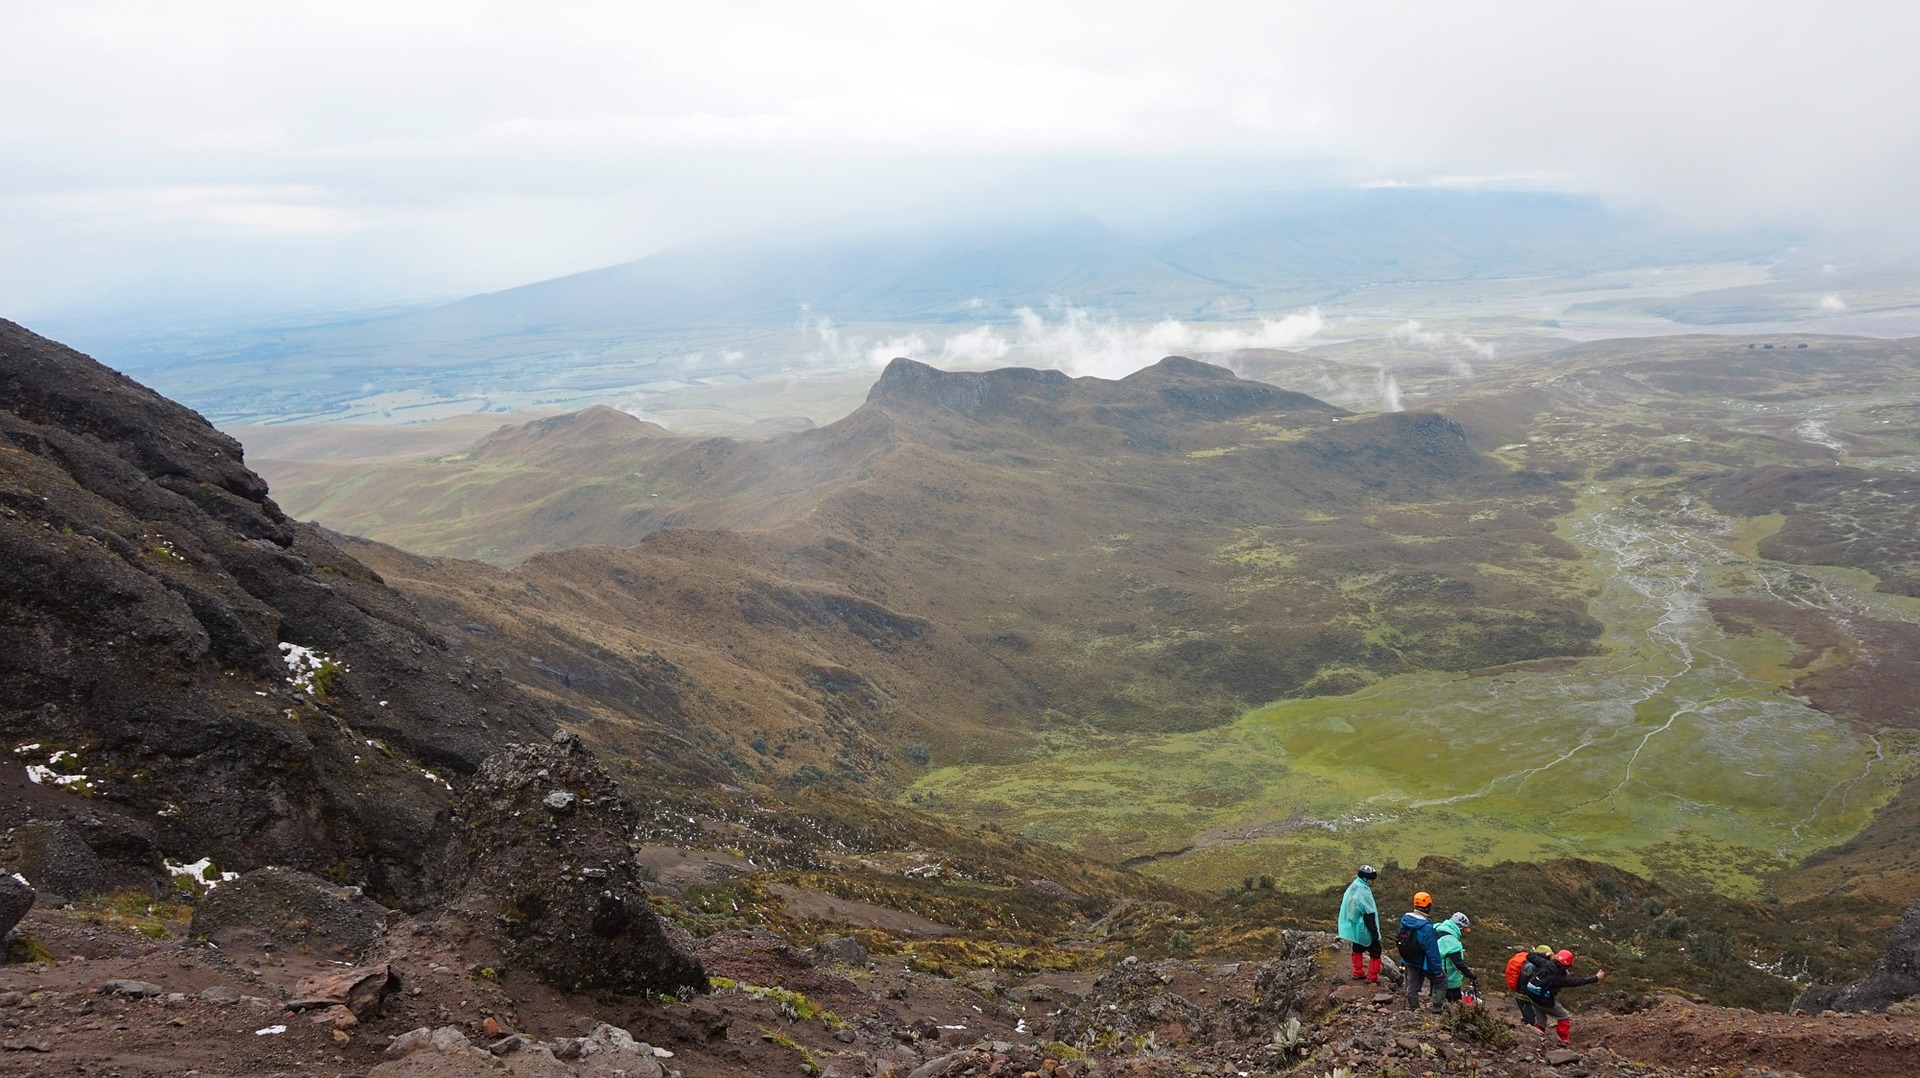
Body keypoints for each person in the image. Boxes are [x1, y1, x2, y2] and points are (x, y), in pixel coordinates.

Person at [1519, 949, 1606, 1044]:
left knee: (1541, 1017)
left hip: (1532, 995)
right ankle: (1564, 1039)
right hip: (1544, 1002)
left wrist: (1544, 955)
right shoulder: (1561, 979)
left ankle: (1536, 1036)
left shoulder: (1545, 963)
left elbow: (1530, 956)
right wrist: (1596, 978)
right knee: (1564, 1016)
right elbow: (1579, 981)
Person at [1395, 891, 1446, 1012]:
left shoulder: (1405, 919)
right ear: (1428, 907)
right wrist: (1437, 970)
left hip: (1409, 958)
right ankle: (1436, 1009)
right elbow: (1431, 951)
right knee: (1442, 981)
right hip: (1422, 961)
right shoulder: (1426, 927)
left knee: (1412, 984)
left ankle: (1414, 1009)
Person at [1337, 865, 1382, 982]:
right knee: (1376, 951)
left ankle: (1357, 972)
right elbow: (1369, 914)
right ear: (1366, 879)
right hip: (1364, 926)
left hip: (1355, 926)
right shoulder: (1364, 892)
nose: (1374, 882)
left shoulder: (1354, 886)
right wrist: (1374, 932)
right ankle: (1372, 977)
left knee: (1357, 947)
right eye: (1372, 879)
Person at [1433, 911, 1478, 1004]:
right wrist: (1471, 975)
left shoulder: (1437, 928)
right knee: (1453, 1004)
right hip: (1450, 981)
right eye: (1463, 929)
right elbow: (1458, 964)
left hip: (1435, 974)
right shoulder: (1451, 941)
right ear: (1459, 927)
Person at [1513, 945, 1555, 1028]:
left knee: (1535, 1018)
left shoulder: (1535, 965)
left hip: (1531, 997)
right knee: (1530, 1020)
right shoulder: (1530, 966)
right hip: (1523, 998)